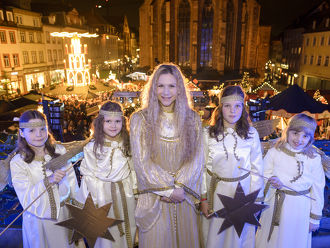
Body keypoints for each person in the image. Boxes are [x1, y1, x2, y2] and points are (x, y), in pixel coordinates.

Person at [130, 63, 204, 248]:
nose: (166, 92)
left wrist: (179, 189)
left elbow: (196, 159)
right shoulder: (140, 119)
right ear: (153, 88)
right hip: (154, 201)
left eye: (171, 85)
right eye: (160, 85)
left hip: (184, 200)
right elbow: (141, 162)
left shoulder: (193, 119)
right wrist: (170, 191)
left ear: (179, 89)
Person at [202, 85, 264, 248]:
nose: (232, 111)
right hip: (216, 193)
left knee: (239, 237)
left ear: (243, 108)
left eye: (237, 106)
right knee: (216, 236)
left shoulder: (251, 134)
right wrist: (203, 197)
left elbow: (257, 169)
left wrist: (256, 199)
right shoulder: (208, 133)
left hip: (242, 193)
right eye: (228, 106)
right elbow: (201, 168)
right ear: (221, 107)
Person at [10, 110, 79, 247]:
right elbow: (26, 198)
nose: (39, 134)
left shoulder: (59, 151)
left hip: (65, 216)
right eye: (32, 131)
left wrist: (78, 212)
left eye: (42, 129)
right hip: (39, 221)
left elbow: (72, 185)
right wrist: (49, 180)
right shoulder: (18, 162)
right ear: (22, 133)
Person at [256, 113, 325, 248]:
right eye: (295, 133)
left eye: (305, 136)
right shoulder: (275, 152)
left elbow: (317, 188)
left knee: (294, 241)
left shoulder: (314, 158)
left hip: (300, 210)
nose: (299, 139)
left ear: (311, 138)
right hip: (276, 205)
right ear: (287, 131)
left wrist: (314, 218)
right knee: (274, 240)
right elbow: (263, 175)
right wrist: (272, 181)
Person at [76, 101, 137, 248]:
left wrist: (136, 193)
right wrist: (92, 204)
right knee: (106, 239)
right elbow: (89, 176)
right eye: (108, 121)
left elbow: (134, 170)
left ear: (123, 122)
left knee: (127, 234)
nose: (113, 125)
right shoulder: (92, 147)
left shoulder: (129, 144)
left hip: (126, 197)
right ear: (100, 123)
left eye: (117, 121)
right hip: (102, 201)